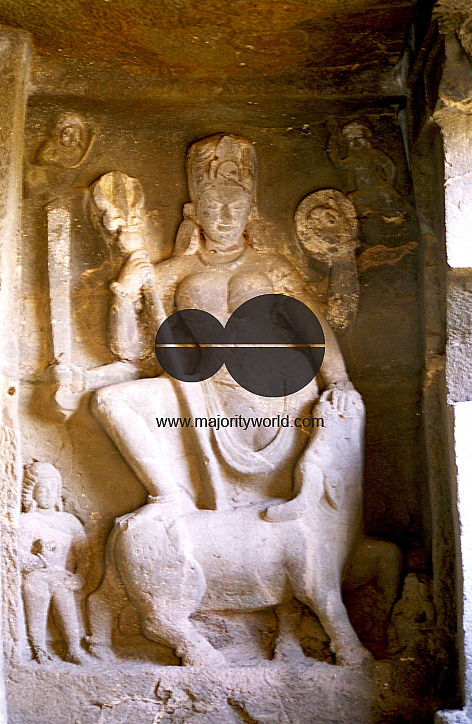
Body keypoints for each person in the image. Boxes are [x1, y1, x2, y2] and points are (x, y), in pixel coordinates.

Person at [82, 134, 359, 529]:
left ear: (251, 211)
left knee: (346, 410)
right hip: (200, 388)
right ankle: (168, 496)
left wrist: (340, 380)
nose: (226, 217)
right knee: (111, 402)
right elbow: (129, 350)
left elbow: (313, 328)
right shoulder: (171, 273)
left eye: (237, 206)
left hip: (278, 389)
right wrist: (124, 292)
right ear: (194, 211)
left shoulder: (272, 266)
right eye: (213, 207)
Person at [18, 462, 88, 664]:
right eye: (43, 489)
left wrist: (80, 576)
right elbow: (17, 556)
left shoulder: (69, 521)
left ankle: (73, 649)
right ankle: (39, 649)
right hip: (36, 577)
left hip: (61, 577)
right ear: (32, 492)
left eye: (53, 489)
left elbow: (86, 555)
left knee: (68, 612)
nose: (48, 494)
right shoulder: (26, 521)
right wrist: (40, 559)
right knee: (37, 612)